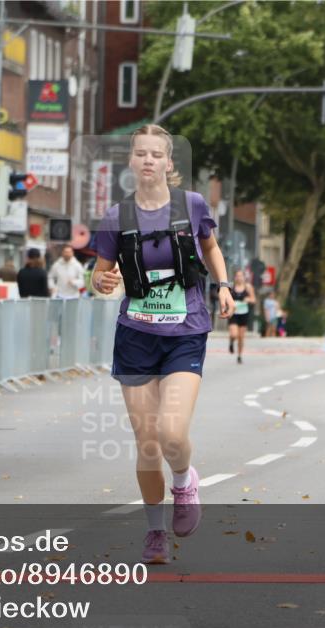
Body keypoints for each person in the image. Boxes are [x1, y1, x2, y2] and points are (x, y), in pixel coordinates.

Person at [91, 124, 233, 565]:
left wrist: (224, 286)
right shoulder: (117, 217)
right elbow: (100, 275)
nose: (148, 160)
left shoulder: (190, 206)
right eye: (141, 154)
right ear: (131, 162)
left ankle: (185, 479)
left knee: (172, 433)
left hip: (185, 330)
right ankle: (155, 532)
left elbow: (210, 248)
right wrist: (103, 280)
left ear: (169, 163)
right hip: (135, 334)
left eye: (157, 154)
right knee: (147, 440)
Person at [227, 270, 255, 363]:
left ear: (244, 277)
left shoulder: (248, 287)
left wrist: (248, 299)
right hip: (233, 313)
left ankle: (239, 355)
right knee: (234, 334)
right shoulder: (231, 287)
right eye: (237, 276)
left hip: (244, 313)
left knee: (241, 337)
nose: (239, 278)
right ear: (235, 277)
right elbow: (226, 298)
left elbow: (253, 300)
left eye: (241, 276)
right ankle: (231, 341)